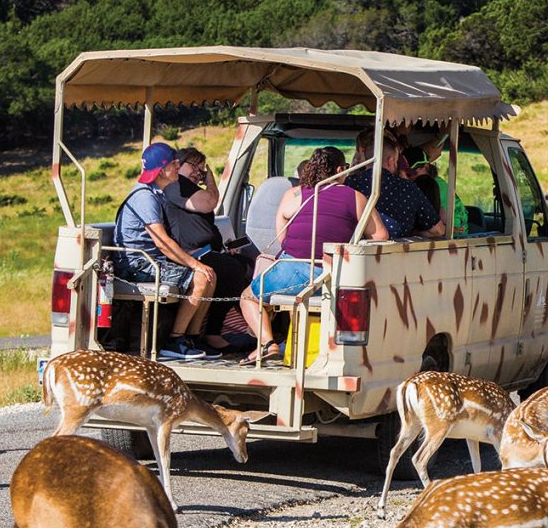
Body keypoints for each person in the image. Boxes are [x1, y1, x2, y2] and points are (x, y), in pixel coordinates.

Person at [239, 146, 389, 363]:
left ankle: (267, 344)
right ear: (339, 169)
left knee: (248, 297)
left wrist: (295, 248)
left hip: (293, 268)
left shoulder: (295, 194)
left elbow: (282, 231)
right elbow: (381, 236)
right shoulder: (355, 197)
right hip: (331, 273)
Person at [113, 142, 215, 361]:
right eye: (174, 163)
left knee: (210, 275)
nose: (178, 166)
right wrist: (194, 263)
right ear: (161, 170)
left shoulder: (155, 193)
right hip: (138, 265)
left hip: (151, 260)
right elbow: (162, 243)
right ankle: (174, 341)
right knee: (201, 277)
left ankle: (192, 337)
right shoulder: (145, 197)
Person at [164, 146, 254, 352]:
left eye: (202, 169)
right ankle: (210, 333)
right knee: (230, 269)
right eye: (193, 166)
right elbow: (209, 203)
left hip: (205, 250)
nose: (198, 172)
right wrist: (211, 179)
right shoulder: (177, 185)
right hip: (189, 253)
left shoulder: (188, 187)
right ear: (178, 165)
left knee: (243, 264)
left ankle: (228, 329)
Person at [348, 132, 445, 239]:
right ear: (390, 161)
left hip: (356, 251)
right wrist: (413, 234)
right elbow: (438, 230)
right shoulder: (409, 188)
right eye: (396, 161)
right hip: (398, 252)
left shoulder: (349, 184)